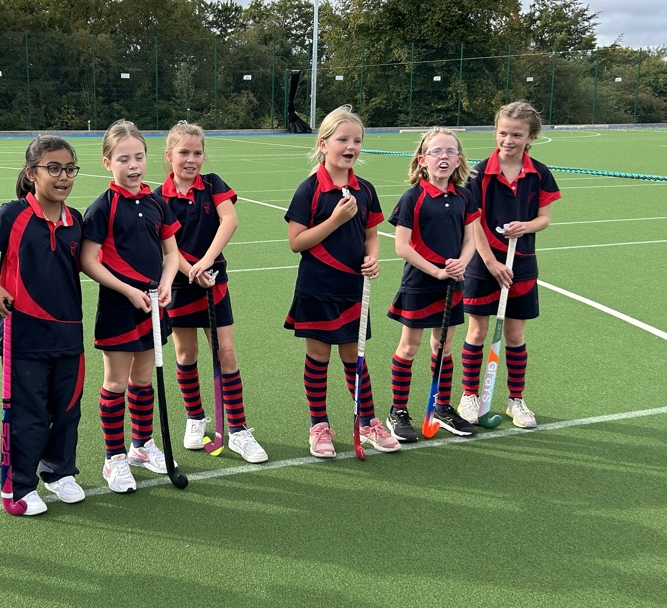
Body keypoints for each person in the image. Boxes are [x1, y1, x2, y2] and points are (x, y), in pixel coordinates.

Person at [0, 136, 86, 516]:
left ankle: (59, 472)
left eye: (69, 169)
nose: (63, 176)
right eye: (53, 168)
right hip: (24, 335)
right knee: (29, 413)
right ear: (32, 173)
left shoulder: (76, 220)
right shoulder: (12, 215)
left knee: (66, 409)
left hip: (69, 332)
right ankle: (20, 483)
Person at [284, 104, 401, 457]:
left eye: (357, 140)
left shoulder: (365, 190)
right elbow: (296, 242)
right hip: (317, 287)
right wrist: (334, 220)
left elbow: (371, 235)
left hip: (353, 288)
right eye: (342, 139)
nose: (350, 147)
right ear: (323, 143)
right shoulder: (309, 190)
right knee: (319, 356)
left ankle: (368, 422)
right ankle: (318, 425)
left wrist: (373, 258)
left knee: (355, 358)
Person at [154, 121, 268, 463]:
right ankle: (195, 418)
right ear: (169, 155)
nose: (191, 160)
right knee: (186, 354)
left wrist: (206, 262)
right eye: (184, 152)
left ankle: (238, 429)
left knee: (226, 353)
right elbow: (167, 246)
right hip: (179, 282)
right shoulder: (159, 198)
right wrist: (192, 271)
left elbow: (229, 220)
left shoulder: (214, 185)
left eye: (198, 153)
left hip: (213, 279)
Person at [81, 120, 181, 493]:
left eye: (139, 157)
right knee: (116, 382)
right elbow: (89, 261)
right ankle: (114, 458)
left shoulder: (157, 202)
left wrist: (167, 283)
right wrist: (127, 290)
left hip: (155, 303)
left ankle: (142, 446)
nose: (134, 165)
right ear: (108, 163)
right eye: (124, 159)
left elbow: (171, 252)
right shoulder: (101, 208)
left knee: (143, 379)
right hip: (120, 306)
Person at [456, 101, 562, 428]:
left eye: (517, 134)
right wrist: (489, 261)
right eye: (503, 133)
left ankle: (516, 400)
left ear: (531, 137)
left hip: (522, 264)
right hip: (482, 264)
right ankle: (469, 396)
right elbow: (472, 222)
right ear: (495, 132)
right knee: (478, 330)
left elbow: (544, 218)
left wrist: (526, 226)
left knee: (515, 334)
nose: (508, 140)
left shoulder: (539, 173)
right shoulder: (478, 172)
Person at [385, 128, 479, 442]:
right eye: (436, 151)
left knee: (443, 347)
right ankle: (397, 410)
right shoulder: (413, 197)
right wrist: (437, 271)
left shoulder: (465, 196)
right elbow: (402, 246)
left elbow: (472, 239)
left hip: (452, 283)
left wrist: (462, 263)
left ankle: (441, 407)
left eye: (450, 152)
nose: (443, 157)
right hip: (420, 284)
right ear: (423, 159)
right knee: (409, 347)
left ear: (459, 160)